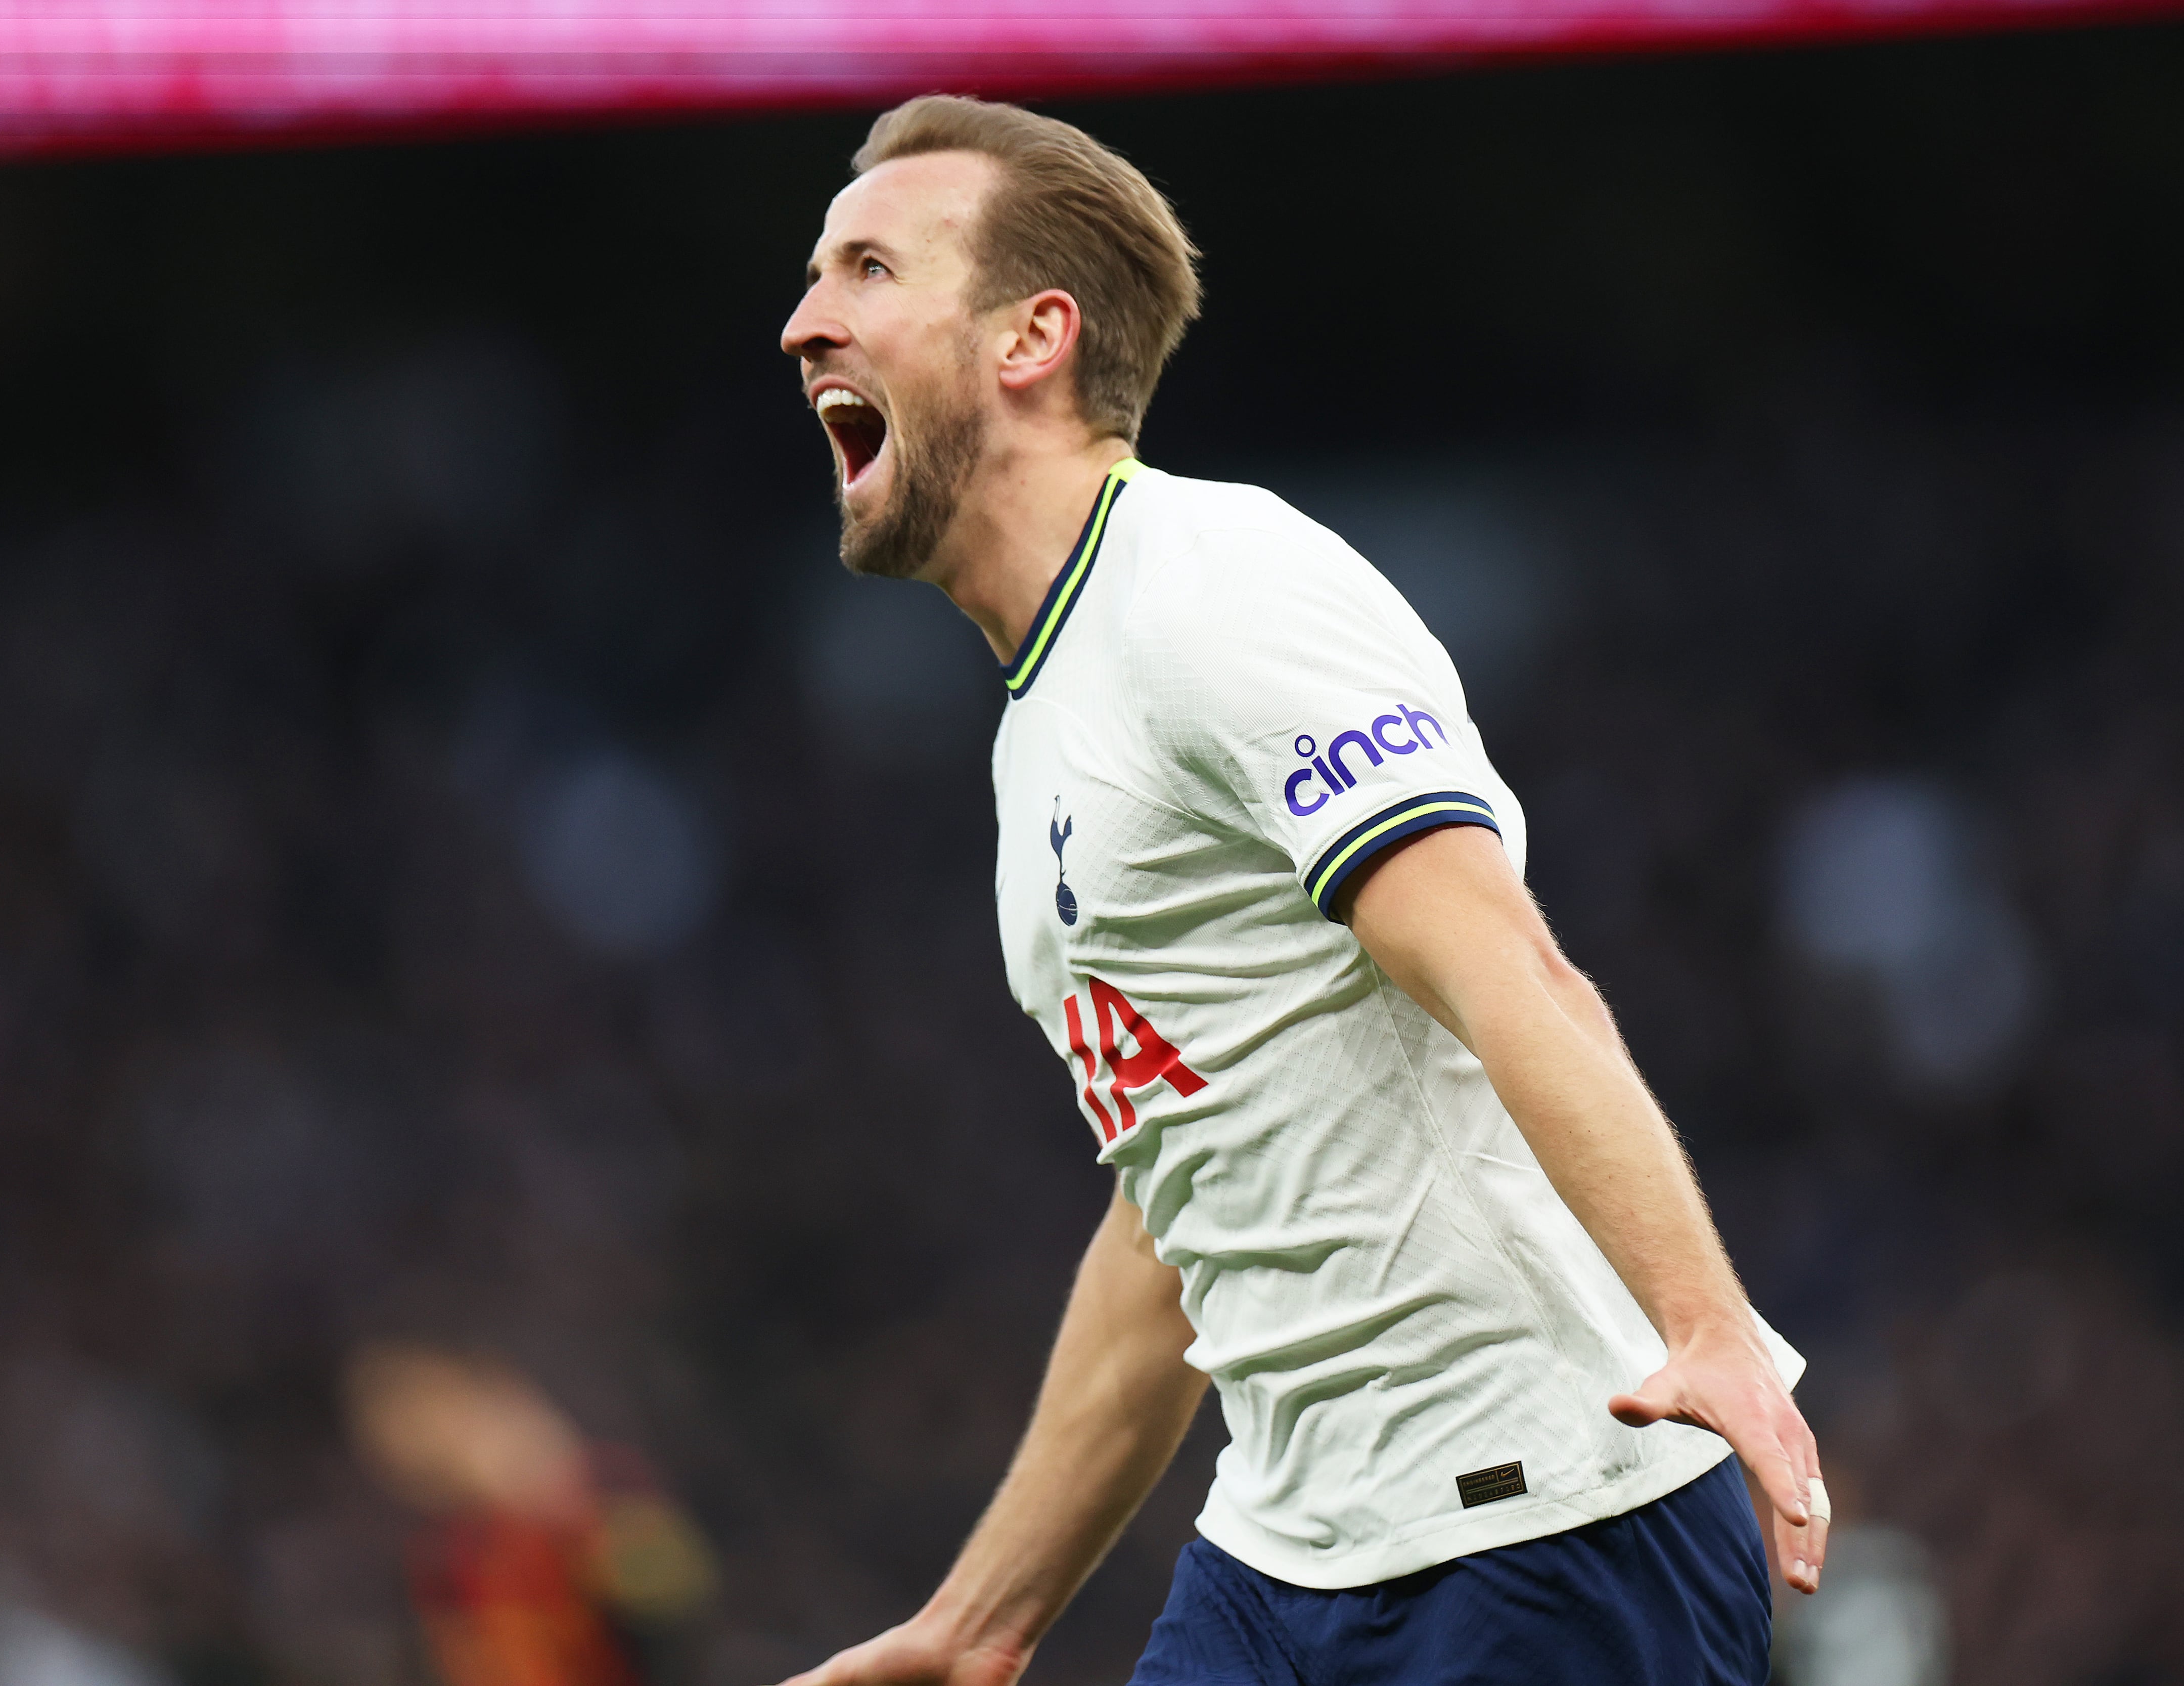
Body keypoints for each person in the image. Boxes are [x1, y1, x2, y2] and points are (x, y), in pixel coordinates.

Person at [775, 96, 1828, 1686]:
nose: (803, 324)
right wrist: (980, 1624)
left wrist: (1706, 1325)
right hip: (1284, 1553)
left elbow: (1508, 968)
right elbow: (1178, 1213)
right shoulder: (1042, 722)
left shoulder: (1217, 588)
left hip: (1539, 1531)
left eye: (865, 268)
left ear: (1028, 339)